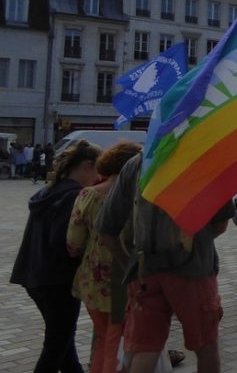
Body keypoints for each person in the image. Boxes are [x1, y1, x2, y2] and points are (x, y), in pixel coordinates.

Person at [97, 153, 233, 373]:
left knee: (144, 350)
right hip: (194, 272)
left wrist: (130, 268)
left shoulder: (136, 164)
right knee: (206, 346)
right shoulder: (205, 159)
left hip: (145, 273)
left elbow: (106, 231)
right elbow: (220, 225)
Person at [11, 139, 103, 373]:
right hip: (57, 278)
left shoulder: (49, 190)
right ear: (86, 166)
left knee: (63, 340)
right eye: (97, 169)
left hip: (33, 273)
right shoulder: (75, 196)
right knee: (56, 343)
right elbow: (63, 241)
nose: (98, 177)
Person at [66, 140, 142, 373]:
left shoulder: (88, 195)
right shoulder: (141, 196)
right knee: (117, 339)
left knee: (102, 336)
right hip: (126, 277)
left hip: (92, 279)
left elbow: (73, 243)